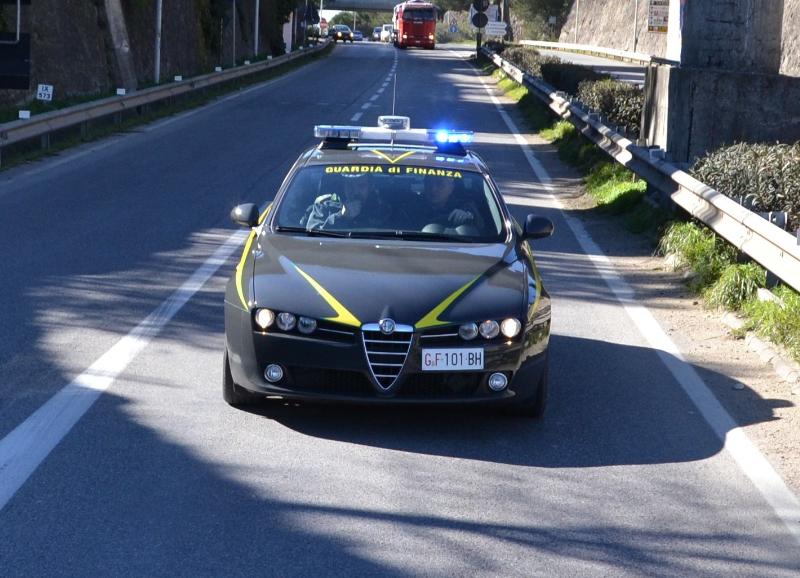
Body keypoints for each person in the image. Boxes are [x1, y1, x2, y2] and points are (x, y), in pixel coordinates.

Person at [302, 174, 379, 230]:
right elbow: (312, 233)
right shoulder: (325, 205)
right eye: (350, 185)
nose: (355, 192)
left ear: (370, 187)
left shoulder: (382, 209)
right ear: (343, 186)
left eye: (361, 186)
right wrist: (341, 216)